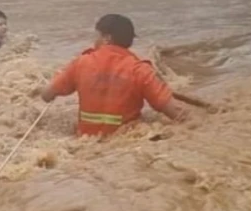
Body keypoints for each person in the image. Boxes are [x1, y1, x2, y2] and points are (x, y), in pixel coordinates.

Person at [38, 14, 188, 136]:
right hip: (124, 144)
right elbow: (177, 113)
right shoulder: (139, 69)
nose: (94, 41)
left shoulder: (81, 63)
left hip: (86, 142)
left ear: (106, 38)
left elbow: (46, 95)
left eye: (96, 36)